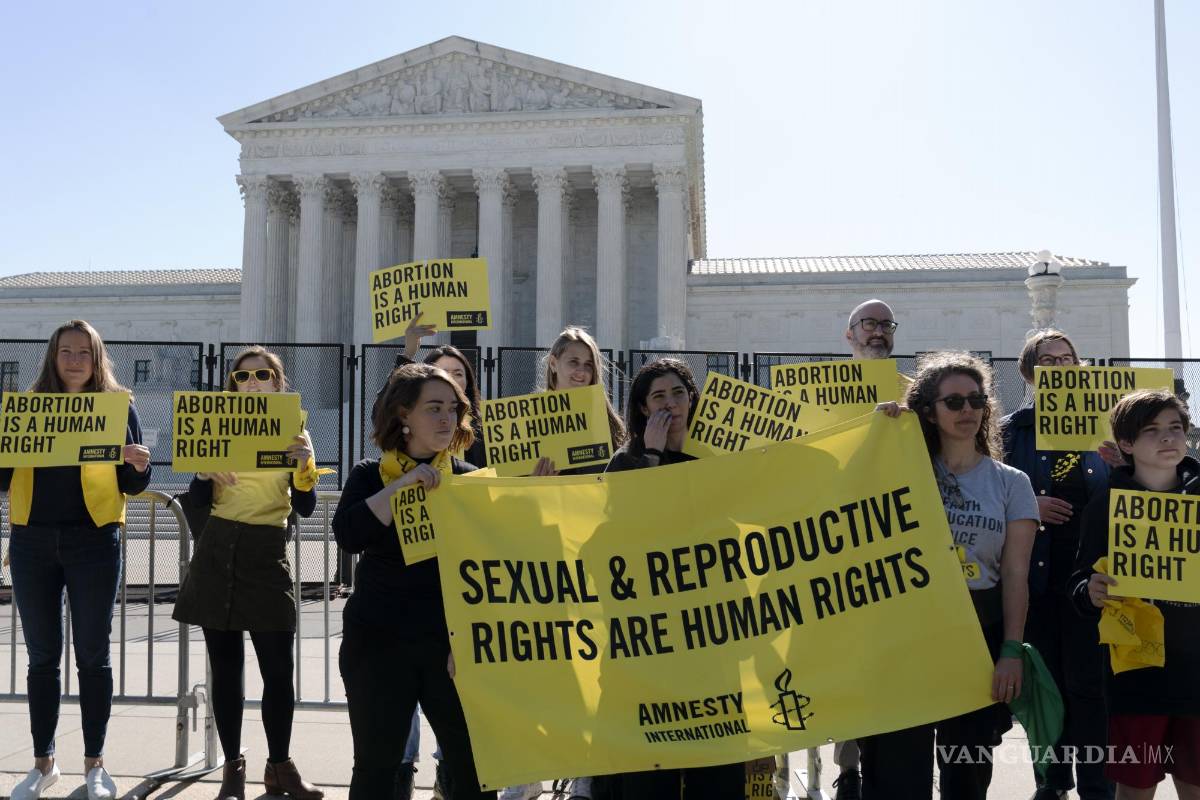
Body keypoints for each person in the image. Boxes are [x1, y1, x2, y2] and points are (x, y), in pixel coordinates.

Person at [862, 352, 1038, 800]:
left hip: (979, 640)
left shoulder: (1011, 482)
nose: (967, 411)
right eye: (954, 402)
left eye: (976, 400)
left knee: (968, 775)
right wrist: (881, 432)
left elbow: (1016, 575)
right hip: (906, 641)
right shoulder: (903, 468)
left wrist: (1011, 651)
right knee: (897, 775)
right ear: (928, 411)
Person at [0, 320, 152, 800]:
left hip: (94, 543)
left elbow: (131, 485)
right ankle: (43, 763)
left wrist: (139, 465)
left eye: (83, 352)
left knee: (93, 654)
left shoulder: (118, 406)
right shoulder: (27, 409)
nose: (73, 359)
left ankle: (95, 765)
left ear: (97, 357)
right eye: (65, 351)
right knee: (42, 656)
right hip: (32, 543)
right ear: (52, 356)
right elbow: (4, 479)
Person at [333, 363, 496, 800]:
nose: (447, 419)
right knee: (377, 767)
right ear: (403, 415)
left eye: (453, 409)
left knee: (473, 769)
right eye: (434, 408)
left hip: (451, 648)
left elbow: (495, 556)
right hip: (378, 646)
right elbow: (348, 535)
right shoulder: (371, 474)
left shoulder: (466, 478)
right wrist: (401, 486)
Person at [171, 346, 324, 800]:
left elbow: (308, 508)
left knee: (278, 670)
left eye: (263, 374)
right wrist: (201, 474)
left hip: (266, 550)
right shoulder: (215, 427)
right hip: (219, 547)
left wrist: (304, 467)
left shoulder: (296, 431)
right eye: (242, 377)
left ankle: (280, 767)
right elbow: (196, 502)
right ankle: (233, 769)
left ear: (279, 383)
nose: (252, 382)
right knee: (227, 666)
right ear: (232, 386)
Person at [604, 358, 747, 799]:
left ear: (693, 398)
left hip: (715, 638)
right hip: (651, 643)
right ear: (644, 409)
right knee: (650, 781)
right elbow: (624, 533)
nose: (671, 404)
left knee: (718, 777)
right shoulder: (625, 460)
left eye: (678, 393)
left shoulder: (721, 455)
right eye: (659, 397)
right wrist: (651, 456)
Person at [1070, 390, 1200, 799]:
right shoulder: (1105, 506)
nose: (1167, 439)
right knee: (1135, 787)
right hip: (1136, 677)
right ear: (1126, 444)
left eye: (1175, 429)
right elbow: (1079, 580)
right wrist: (1088, 592)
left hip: (1197, 674)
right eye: (1152, 431)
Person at [1001, 330, 1114, 800]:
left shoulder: (1108, 425)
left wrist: (1121, 459)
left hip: (1093, 577)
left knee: (1091, 686)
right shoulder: (1011, 430)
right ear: (1030, 373)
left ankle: (1095, 784)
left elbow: (1139, 486)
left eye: (1066, 358)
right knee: (1046, 684)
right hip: (1038, 575)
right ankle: (1051, 780)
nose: (1059, 367)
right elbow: (995, 489)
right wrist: (1032, 502)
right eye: (1047, 361)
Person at [521, 326, 627, 800]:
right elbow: (504, 499)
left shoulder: (612, 427)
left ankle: (587, 772)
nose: (580, 372)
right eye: (573, 363)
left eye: (588, 365)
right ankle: (528, 774)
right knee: (541, 669)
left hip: (593, 562)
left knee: (594, 670)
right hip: (542, 561)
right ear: (554, 366)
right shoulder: (524, 424)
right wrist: (537, 489)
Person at [389, 316, 488, 798]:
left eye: (458, 386)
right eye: (437, 390)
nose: (446, 407)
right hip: (404, 609)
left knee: (461, 724)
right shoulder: (386, 469)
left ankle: (451, 777)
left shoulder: (472, 460)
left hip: (458, 602)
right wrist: (407, 350)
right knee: (400, 719)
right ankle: (402, 772)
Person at [832, 298, 901, 799]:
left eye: (885, 324)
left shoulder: (912, 395)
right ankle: (849, 768)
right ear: (849, 334)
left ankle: (896, 761)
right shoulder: (824, 395)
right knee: (848, 664)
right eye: (869, 324)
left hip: (899, 541)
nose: (878, 331)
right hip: (840, 548)